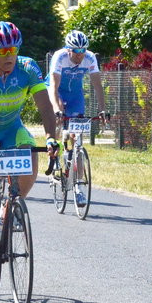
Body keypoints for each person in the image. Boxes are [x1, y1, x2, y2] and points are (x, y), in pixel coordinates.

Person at [0, 21, 58, 287]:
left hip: (11, 130)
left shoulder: (28, 68)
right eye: (3, 52)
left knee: (30, 151)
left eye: (13, 50)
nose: (9, 56)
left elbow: (45, 106)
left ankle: (12, 204)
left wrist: (51, 137)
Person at [46, 30, 107, 206]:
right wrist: (57, 110)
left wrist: (102, 110)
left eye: (83, 51)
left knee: (77, 139)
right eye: (76, 52)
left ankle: (78, 187)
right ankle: (55, 155)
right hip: (57, 93)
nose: (80, 55)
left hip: (75, 96)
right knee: (58, 122)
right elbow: (53, 87)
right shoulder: (59, 57)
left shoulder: (90, 58)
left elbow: (97, 85)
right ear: (68, 50)